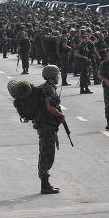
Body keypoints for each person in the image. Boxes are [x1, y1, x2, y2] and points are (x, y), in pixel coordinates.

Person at [36, 65, 66, 194]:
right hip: (47, 126)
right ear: (52, 76)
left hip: (46, 125)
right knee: (47, 155)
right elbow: (49, 107)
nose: (58, 77)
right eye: (57, 75)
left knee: (45, 153)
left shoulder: (47, 87)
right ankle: (44, 185)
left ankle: (45, 183)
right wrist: (60, 115)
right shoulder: (49, 89)